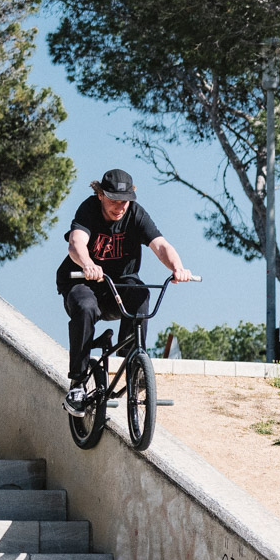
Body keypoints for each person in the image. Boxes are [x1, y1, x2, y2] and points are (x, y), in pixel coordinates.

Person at [57, 169, 193, 416]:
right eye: (114, 201)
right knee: (86, 308)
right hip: (83, 282)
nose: (120, 207)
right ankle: (77, 383)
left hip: (119, 286)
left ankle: (133, 364)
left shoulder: (135, 213)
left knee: (141, 295)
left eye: (125, 201)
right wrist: (87, 264)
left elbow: (160, 245)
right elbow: (76, 243)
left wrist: (177, 267)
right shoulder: (88, 210)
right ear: (100, 195)